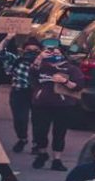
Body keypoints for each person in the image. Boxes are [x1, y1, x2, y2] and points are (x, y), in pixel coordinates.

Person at [29, 39, 84, 171]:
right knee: (39, 131)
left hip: (63, 106)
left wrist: (65, 81)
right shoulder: (42, 65)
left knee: (59, 133)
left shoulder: (71, 69)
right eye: (50, 51)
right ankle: (42, 153)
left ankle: (57, 159)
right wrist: (39, 58)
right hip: (41, 104)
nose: (53, 53)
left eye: (56, 51)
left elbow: (78, 87)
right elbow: (32, 74)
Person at [0, 35, 41, 152]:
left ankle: (37, 143)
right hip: (19, 92)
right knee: (20, 118)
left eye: (36, 51)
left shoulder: (44, 63)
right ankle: (22, 138)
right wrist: (8, 38)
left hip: (37, 94)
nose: (32, 53)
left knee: (39, 120)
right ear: (22, 51)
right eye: (29, 50)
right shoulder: (16, 60)